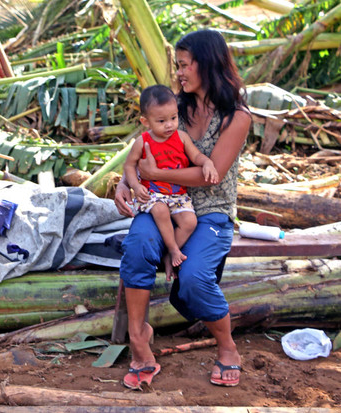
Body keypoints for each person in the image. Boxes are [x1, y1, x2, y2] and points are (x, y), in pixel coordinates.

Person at [114, 30, 250, 389]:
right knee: (137, 247)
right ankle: (139, 343)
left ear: (207, 64)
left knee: (192, 279)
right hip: (160, 203)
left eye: (185, 65)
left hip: (211, 212)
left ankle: (227, 348)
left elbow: (212, 174)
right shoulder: (174, 106)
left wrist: (155, 173)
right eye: (179, 66)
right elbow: (139, 152)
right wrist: (124, 182)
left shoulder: (235, 117)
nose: (180, 73)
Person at [123, 84, 218, 278]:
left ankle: (167, 252)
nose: (169, 125)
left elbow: (197, 156)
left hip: (178, 194)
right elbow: (129, 166)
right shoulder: (143, 141)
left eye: (173, 118)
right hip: (152, 194)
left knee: (190, 222)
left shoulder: (181, 138)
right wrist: (135, 185)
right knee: (160, 210)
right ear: (146, 121)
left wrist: (207, 163)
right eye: (161, 121)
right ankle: (174, 249)